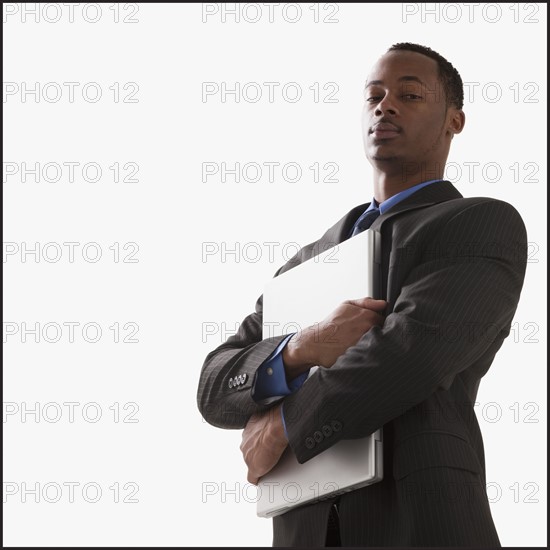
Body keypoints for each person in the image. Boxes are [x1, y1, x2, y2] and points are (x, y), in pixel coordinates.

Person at [197, 42, 528, 547]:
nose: (385, 105)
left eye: (410, 94)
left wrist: (284, 424)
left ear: (454, 121)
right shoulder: (303, 264)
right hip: (305, 530)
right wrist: (300, 348)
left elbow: (411, 353)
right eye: (374, 95)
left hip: (421, 522)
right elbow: (215, 384)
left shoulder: (480, 224)